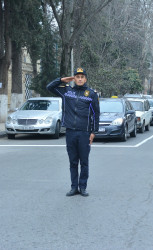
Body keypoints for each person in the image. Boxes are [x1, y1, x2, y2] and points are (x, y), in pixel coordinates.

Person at [47, 67, 100, 197]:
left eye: (82, 77)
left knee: (84, 162)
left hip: (84, 133)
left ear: (85, 79)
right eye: (77, 77)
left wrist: (93, 132)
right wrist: (62, 80)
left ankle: (82, 187)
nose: (80, 79)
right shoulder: (66, 91)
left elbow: (96, 114)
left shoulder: (91, 94)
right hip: (70, 132)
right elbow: (50, 87)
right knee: (73, 162)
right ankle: (73, 187)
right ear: (74, 79)